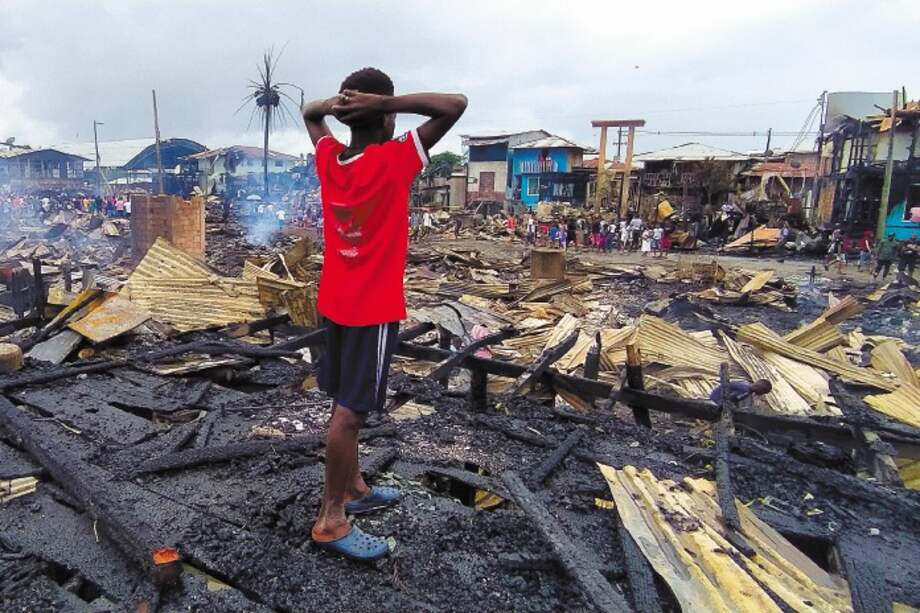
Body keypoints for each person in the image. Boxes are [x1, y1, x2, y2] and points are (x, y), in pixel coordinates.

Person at [302, 67, 466, 561]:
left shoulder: (331, 158)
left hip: (333, 302)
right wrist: (380, 105)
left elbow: (310, 113)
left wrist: (344, 104)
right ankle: (332, 518)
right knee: (350, 413)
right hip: (371, 311)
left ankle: (353, 487)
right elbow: (455, 102)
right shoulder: (396, 160)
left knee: (341, 400)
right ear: (386, 119)